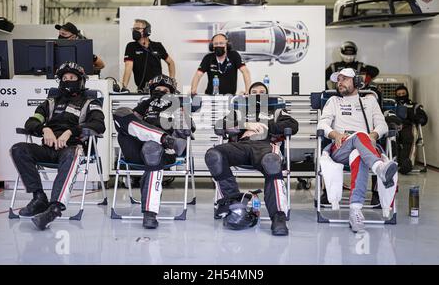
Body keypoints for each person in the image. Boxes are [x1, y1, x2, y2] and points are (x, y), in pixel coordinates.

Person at [10, 62, 106, 230]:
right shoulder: (51, 102)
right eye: (65, 78)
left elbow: (98, 125)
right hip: (48, 148)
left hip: (72, 148)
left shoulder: (90, 102)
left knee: (73, 153)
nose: (68, 80)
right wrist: (44, 128)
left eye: (72, 78)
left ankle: (54, 208)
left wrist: (71, 132)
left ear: (81, 80)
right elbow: (31, 122)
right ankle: (39, 198)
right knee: (18, 149)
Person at [204, 82, 299, 236]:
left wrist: (264, 125)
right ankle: (234, 203)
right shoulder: (239, 111)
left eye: (262, 92)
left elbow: (292, 125)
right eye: (254, 91)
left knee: (272, 162)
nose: (258, 94)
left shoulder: (276, 110)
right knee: (213, 155)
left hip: (265, 147)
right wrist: (245, 124)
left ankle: (278, 217)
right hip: (240, 147)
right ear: (248, 95)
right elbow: (219, 125)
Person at [317, 68, 397, 233]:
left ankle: (355, 210)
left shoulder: (370, 101)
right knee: (359, 138)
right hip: (341, 148)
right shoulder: (333, 101)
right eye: (338, 79)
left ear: (357, 82)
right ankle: (378, 168)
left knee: (358, 153)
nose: (340, 82)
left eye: (345, 79)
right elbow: (322, 124)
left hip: (365, 147)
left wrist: (373, 135)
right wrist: (335, 134)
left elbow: (382, 125)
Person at [113, 75, 194, 229]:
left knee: (152, 147)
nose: (161, 92)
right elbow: (128, 121)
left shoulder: (177, 105)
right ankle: (162, 137)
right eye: (157, 90)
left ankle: (150, 213)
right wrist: (147, 104)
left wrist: (182, 112)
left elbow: (189, 129)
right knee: (121, 112)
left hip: (163, 151)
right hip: (136, 150)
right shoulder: (143, 106)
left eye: (165, 90)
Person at [121, 19, 176, 93]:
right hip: (143, 90)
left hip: (158, 90)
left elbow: (171, 62)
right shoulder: (131, 46)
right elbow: (128, 66)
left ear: (147, 31)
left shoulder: (157, 46)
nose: (134, 31)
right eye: (133, 29)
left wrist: (171, 81)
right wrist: (124, 87)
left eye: (137, 28)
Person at [394, 85, 428, 174]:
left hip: (409, 127)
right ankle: (394, 163)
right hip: (394, 127)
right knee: (391, 139)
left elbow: (423, 119)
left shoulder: (414, 106)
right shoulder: (392, 105)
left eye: (403, 94)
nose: (401, 96)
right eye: (399, 94)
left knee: (409, 137)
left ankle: (407, 164)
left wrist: (412, 115)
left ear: (407, 94)